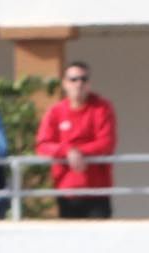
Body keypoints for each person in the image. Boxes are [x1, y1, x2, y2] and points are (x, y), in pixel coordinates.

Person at [35, 61, 116, 220]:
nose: (79, 84)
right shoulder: (56, 112)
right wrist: (68, 152)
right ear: (65, 84)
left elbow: (106, 142)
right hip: (66, 192)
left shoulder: (102, 108)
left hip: (97, 192)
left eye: (83, 79)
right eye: (73, 79)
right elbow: (43, 145)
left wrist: (80, 152)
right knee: (69, 242)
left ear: (89, 84)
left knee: (99, 241)